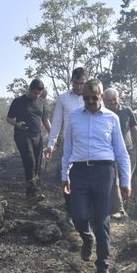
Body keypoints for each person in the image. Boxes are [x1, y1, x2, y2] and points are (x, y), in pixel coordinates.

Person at [62, 79, 131, 273]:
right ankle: (86, 238)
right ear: (82, 97)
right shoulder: (74, 117)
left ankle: (103, 268)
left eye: (95, 97)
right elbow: (66, 150)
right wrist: (64, 175)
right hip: (79, 172)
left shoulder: (112, 119)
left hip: (104, 172)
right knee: (78, 216)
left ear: (101, 96)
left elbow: (121, 151)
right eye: (87, 98)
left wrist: (125, 181)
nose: (91, 102)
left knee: (102, 222)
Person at [44, 67, 87, 216]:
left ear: (86, 81)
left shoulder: (92, 97)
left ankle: (83, 213)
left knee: (84, 179)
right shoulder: (63, 98)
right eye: (76, 83)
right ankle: (69, 211)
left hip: (88, 146)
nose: (79, 87)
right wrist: (51, 145)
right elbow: (56, 123)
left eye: (82, 83)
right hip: (69, 144)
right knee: (67, 176)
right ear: (72, 81)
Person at [7, 79, 51, 199]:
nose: (36, 96)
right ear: (29, 90)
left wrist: (53, 135)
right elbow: (9, 118)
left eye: (38, 94)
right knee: (30, 161)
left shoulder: (42, 102)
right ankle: (32, 190)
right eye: (35, 93)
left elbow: (45, 120)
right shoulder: (18, 101)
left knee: (37, 163)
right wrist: (17, 124)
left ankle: (33, 189)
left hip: (37, 136)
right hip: (22, 135)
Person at [104, 88, 137, 219]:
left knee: (126, 182)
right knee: (115, 179)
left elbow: (135, 130)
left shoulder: (127, 111)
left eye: (114, 99)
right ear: (105, 102)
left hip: (129, 151)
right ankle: (119, 209)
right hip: (112, 153)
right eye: (109, 101)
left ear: (118, 98)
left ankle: (123, 209)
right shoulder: (104, 114)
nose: (112, 102)